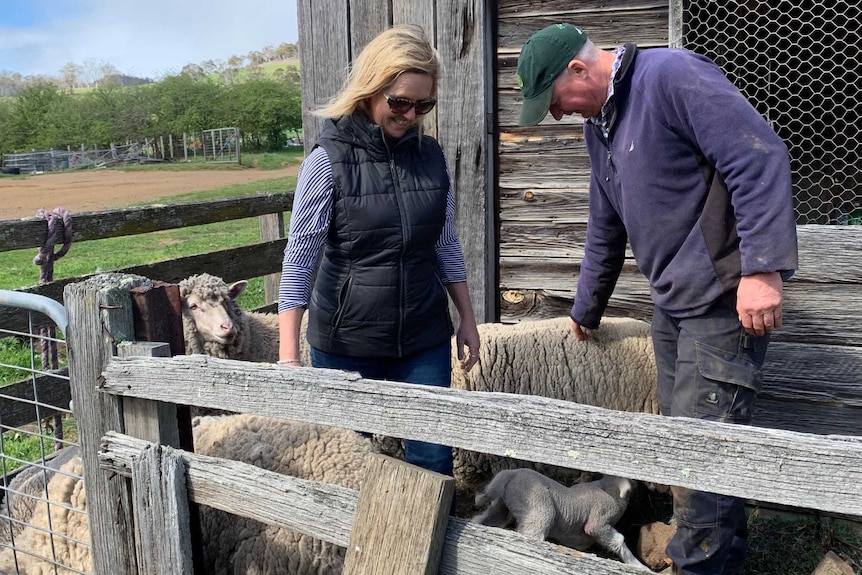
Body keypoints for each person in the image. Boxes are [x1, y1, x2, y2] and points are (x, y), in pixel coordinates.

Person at [516, 23, 798, 575]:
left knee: (700, 457)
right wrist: (586, 306)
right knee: (685, 450)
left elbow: (759, 157)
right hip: (672, 305)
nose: (554, 114)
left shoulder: (670, 76)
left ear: (579, 69)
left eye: (553, 100)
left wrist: (762, 270)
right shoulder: (599, 127)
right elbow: (606, 222)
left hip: (720, 301)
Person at [277, 24, 481, 478]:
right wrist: (288, 357)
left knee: (432, 461)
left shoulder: (432, 158)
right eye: (400, 101)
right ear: (371, 88)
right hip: (346, 342)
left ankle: (433, 547)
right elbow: (300, 258)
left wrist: (466, 318)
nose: (410, 114)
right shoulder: (327, 159)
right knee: (348, 464)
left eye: (423, 104)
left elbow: (445, 242)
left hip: (423, 338)